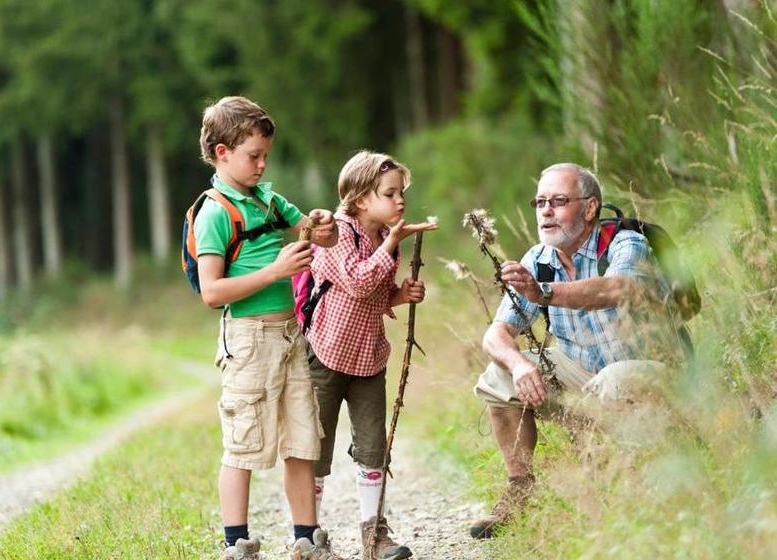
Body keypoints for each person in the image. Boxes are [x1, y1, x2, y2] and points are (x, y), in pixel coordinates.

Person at [470, 162, 671, 539]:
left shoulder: (626, 242)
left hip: (654, 378)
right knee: (498, 374)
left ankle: (640, 485)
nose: (546, 210)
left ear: (590, 208)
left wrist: (542, 292)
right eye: (540, 202)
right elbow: (495, 334)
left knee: (615, 379)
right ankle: (521, 491)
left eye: (559, 201)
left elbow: (616, 289)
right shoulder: (538, 259)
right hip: (587, 381)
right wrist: (517, 366)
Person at [194, 95, 343, 560]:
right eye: (252, 156)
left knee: (303, 437)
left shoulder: (268, 199)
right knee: (243, 443)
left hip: (288, 334)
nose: (261, 165)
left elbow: (325, 236)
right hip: (247, 336)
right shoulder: (215, 212)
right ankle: (236, 543)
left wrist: (321, 224)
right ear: (222, 152)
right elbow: (211, 292)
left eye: (265, 156)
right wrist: (276, 272)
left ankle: (306, 537)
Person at [303, 151, 437, 560]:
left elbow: (374, 297)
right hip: (326, 354)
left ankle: (373, 535)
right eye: (390, 193)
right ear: (361, 199)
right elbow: (359, 283)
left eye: (402, 193)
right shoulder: (336, 233)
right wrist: (394, 242)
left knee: (374, 446)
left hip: (367, 356)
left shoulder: (382, 238)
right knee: (316, 449)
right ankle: (308, 535)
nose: (400, 201)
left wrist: (399, 295)